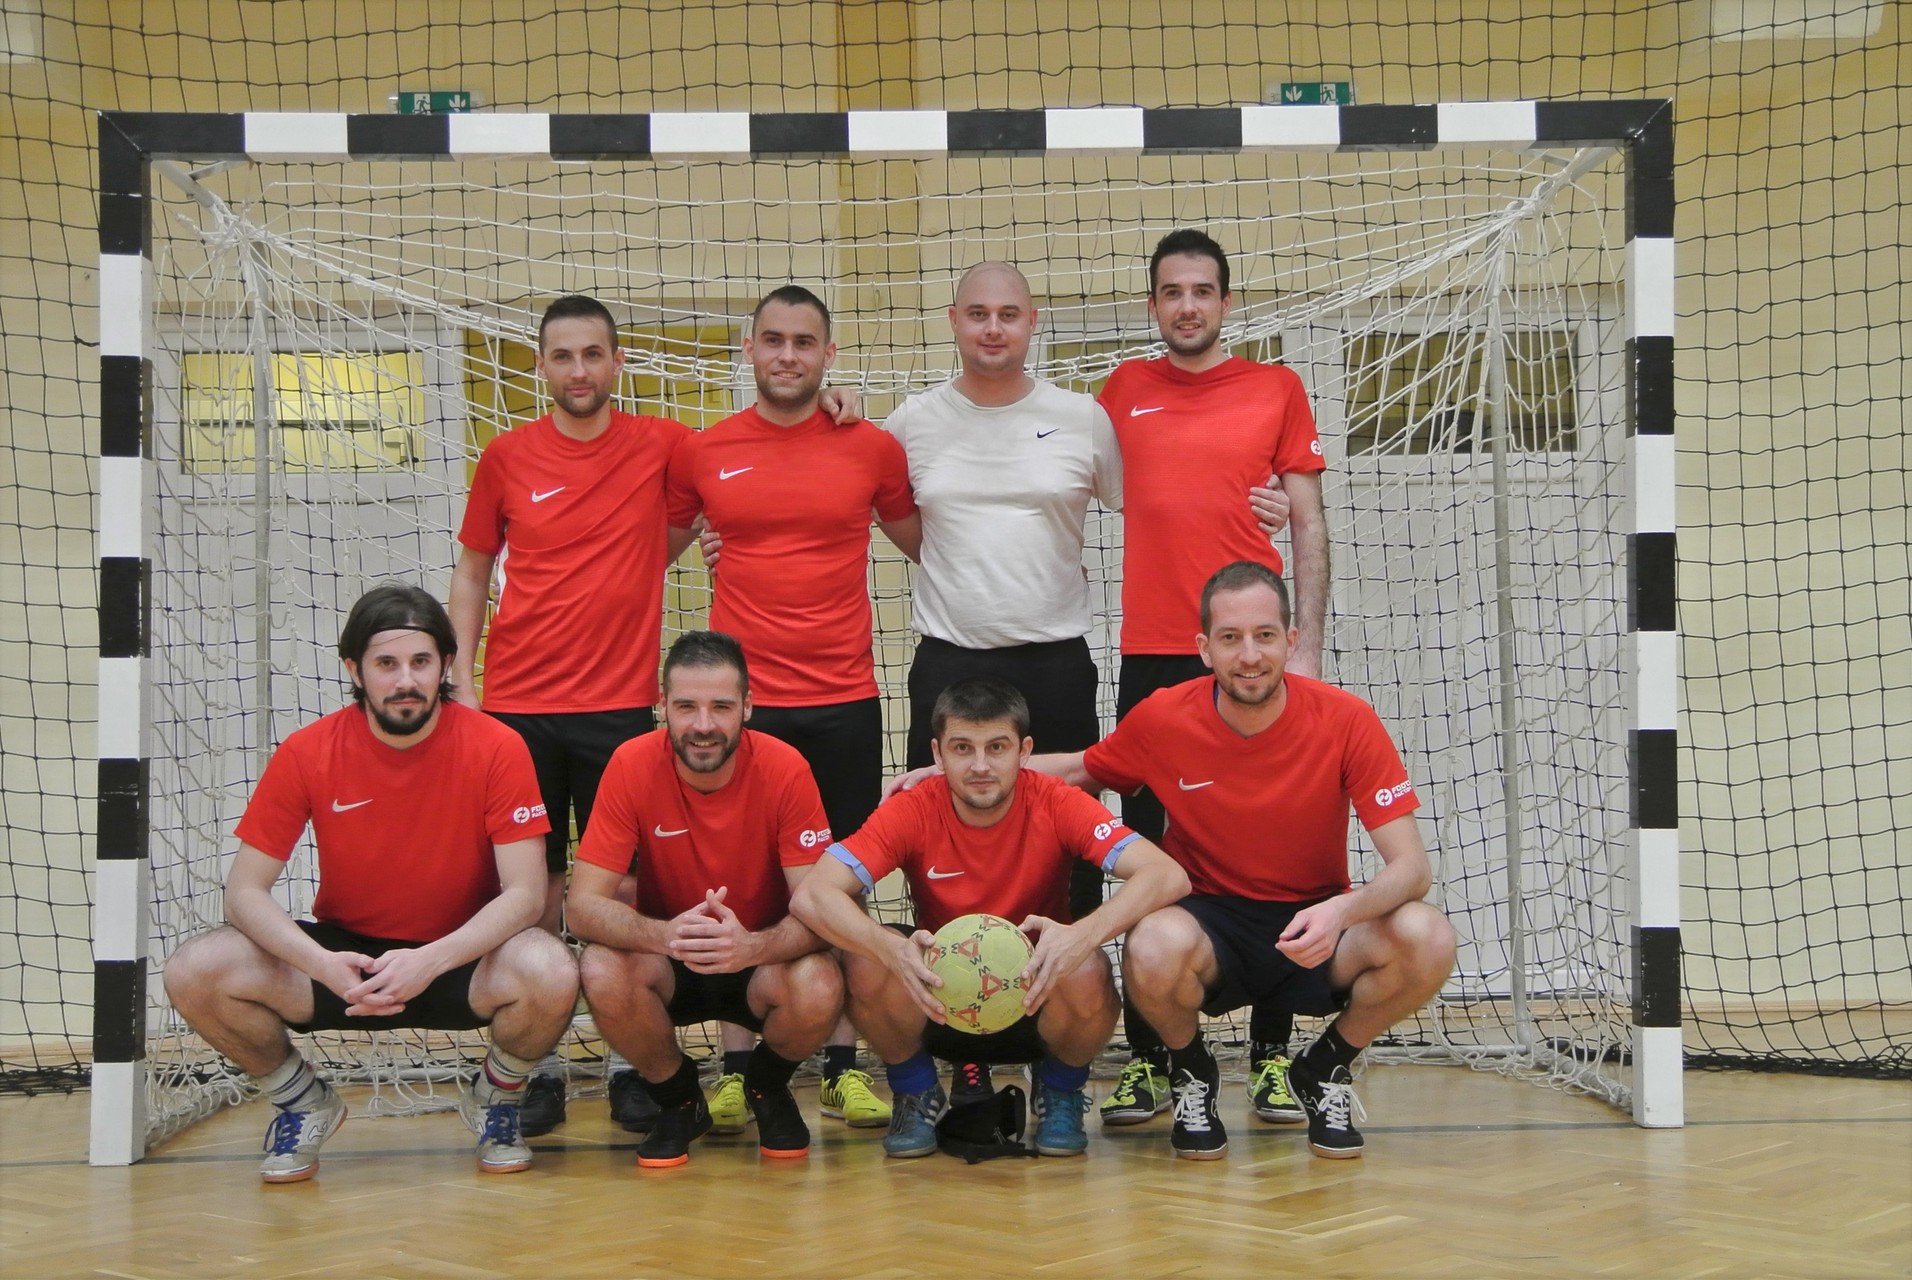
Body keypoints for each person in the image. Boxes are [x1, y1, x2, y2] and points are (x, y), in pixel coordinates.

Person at [1034, 562, 1455, 1160]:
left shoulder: (1346, 719)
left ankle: (1326, 1066)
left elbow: (1412, 869)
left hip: (1313, 924)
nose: (1249, 655)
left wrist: (1342, 912)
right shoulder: (1164, 716)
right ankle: (1191, 1071)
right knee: (1149, 944)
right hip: (1211, 926)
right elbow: (1080, 769)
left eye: (1264, 635)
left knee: (1428, 936)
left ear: (1291, 640)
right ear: (1205, 648)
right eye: (1230, 638)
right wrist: (955, 772)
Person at [162, 584, 580, 1183]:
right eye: (387, 663)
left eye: (421, 661)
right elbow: (244, 892)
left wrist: (429, 961)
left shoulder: (497, 746)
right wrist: (323, 965)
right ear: (355, 670)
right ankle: (302, 1102)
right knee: (195, 969)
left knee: (552, 967)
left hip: (457, 959)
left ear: (446, 666)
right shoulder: (308, 751)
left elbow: (525, 893)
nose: (405, 680)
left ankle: (495, 1099)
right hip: (348, 964)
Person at [666, 285, 919, 1131]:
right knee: (746, 885)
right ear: (749, 349)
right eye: (772, 340)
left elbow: (932, 541)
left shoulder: (871, 446)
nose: (787, 355)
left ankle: (844, 1067)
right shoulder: (705, 452)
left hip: (845, 702)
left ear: (828, 354)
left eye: (804, 342)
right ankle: (739, 1068)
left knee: (840, 887)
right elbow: (651, 546)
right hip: (745, 711)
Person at [1095, 229, 1328, 1128]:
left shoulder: (1276, 388)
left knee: (1275, 853)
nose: (1187, 305)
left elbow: (1307, 519)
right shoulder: (1121, 392)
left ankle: (1272, 1057)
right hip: (1153, 654)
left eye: (1202, 291)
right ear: (1153, 305)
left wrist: (1304, 648)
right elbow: (1043, 455)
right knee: (1144, 856)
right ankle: (1154, 1061)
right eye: (1171, 292)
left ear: (1226, 303)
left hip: (1253, 655)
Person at [447, 294, 692, 1137]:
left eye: (593, 354)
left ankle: (630, 1064)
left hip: (621, 706)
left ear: (617, 362)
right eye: (563, 356)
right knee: (535, 888)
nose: (579, 370)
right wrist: (462, 681)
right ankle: (536, 1068)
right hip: (518, 707)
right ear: (542, 366)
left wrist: (837, 402)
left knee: (619, 887)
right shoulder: (506, 456)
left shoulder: (662, 444)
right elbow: (471, 571)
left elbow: (751, 453)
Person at [790, 677, 1189, 1159]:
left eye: (996, 747)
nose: (980, 766)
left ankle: (1060, 1091)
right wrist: (888, 947)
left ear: (1024, 752)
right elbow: (812, 896)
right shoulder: (913, 808)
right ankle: (916, 1091)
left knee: (1088, 965)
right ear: (938, 754)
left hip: (1037, 998)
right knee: (863, 960)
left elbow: (1167, 875)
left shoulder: (1056, 799)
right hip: (940, 1002)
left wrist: (1081, 935)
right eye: (963, 748)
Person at [567, 631, 845, 1167]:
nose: (703, 725)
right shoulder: (630, 763)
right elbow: (582, 908)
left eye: (720, 707)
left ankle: (766, 1086)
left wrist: (752, 947)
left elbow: (822, 912)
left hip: (760, 960)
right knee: (601, 967)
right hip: (668, 958)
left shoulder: (786, 767)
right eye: (686, 706)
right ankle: (679, 1100)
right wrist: (666, 934)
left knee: (822, 979)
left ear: (747, 706)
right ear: (662, 706)